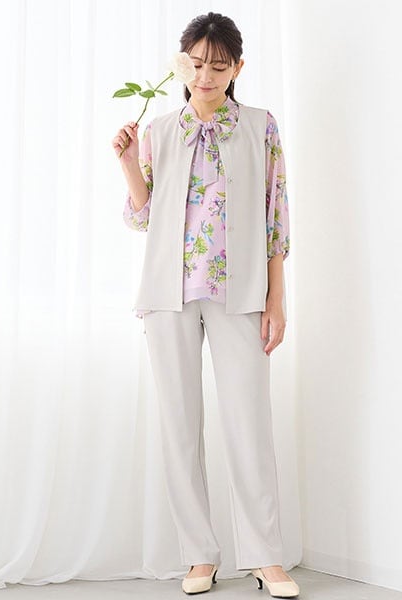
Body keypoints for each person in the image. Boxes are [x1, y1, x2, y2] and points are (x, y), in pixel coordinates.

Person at [112, 12, 299, 599]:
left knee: (249, 423)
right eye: (196, 64)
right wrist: (127, 163)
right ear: (182, 64)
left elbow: (275, 217)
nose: (206, 76)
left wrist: (276, 299)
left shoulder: (260, 127)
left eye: (219, 66)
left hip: (239, 293)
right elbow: (142, 216)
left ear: (238, 67)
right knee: (179, 427)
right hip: (167, 295)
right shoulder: (160, 129)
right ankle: (199, 555)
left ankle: (266, 558)